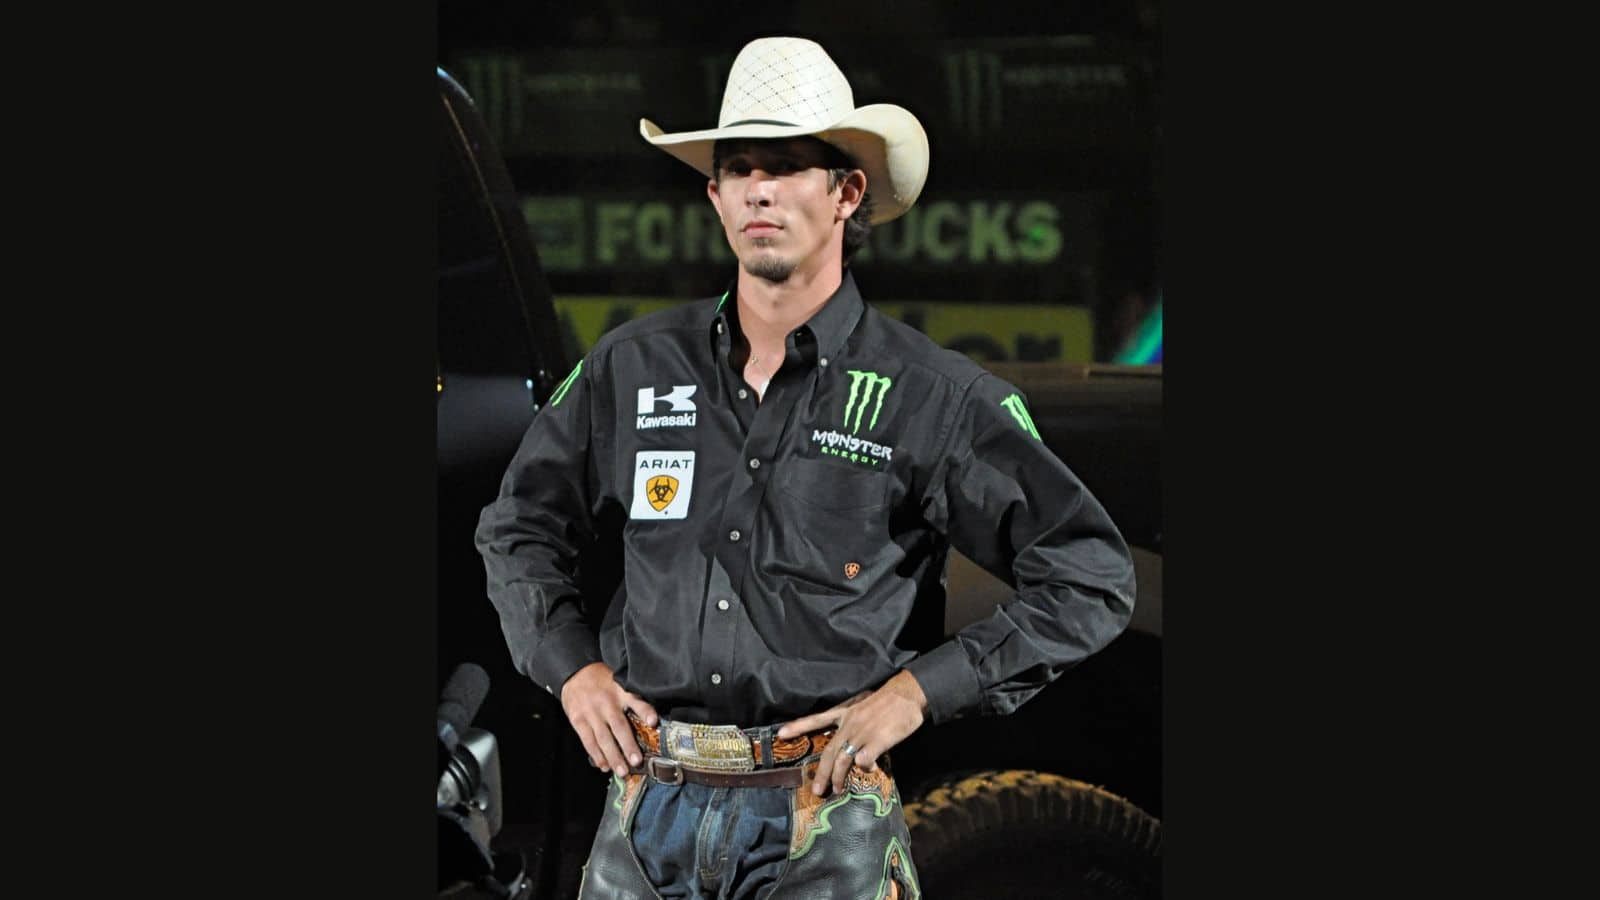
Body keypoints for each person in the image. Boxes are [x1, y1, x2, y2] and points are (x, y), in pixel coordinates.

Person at [476, 36, 1135, 900]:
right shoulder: (630, 368)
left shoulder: (930, 395)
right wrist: (572, 667)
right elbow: (517, 527)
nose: (759, 188)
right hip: (645, 803)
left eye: (786, 166)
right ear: (713, 194)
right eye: (738, 167)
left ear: (846, 192)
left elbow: (1091, 575)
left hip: (824, 809)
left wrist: (916, 694)